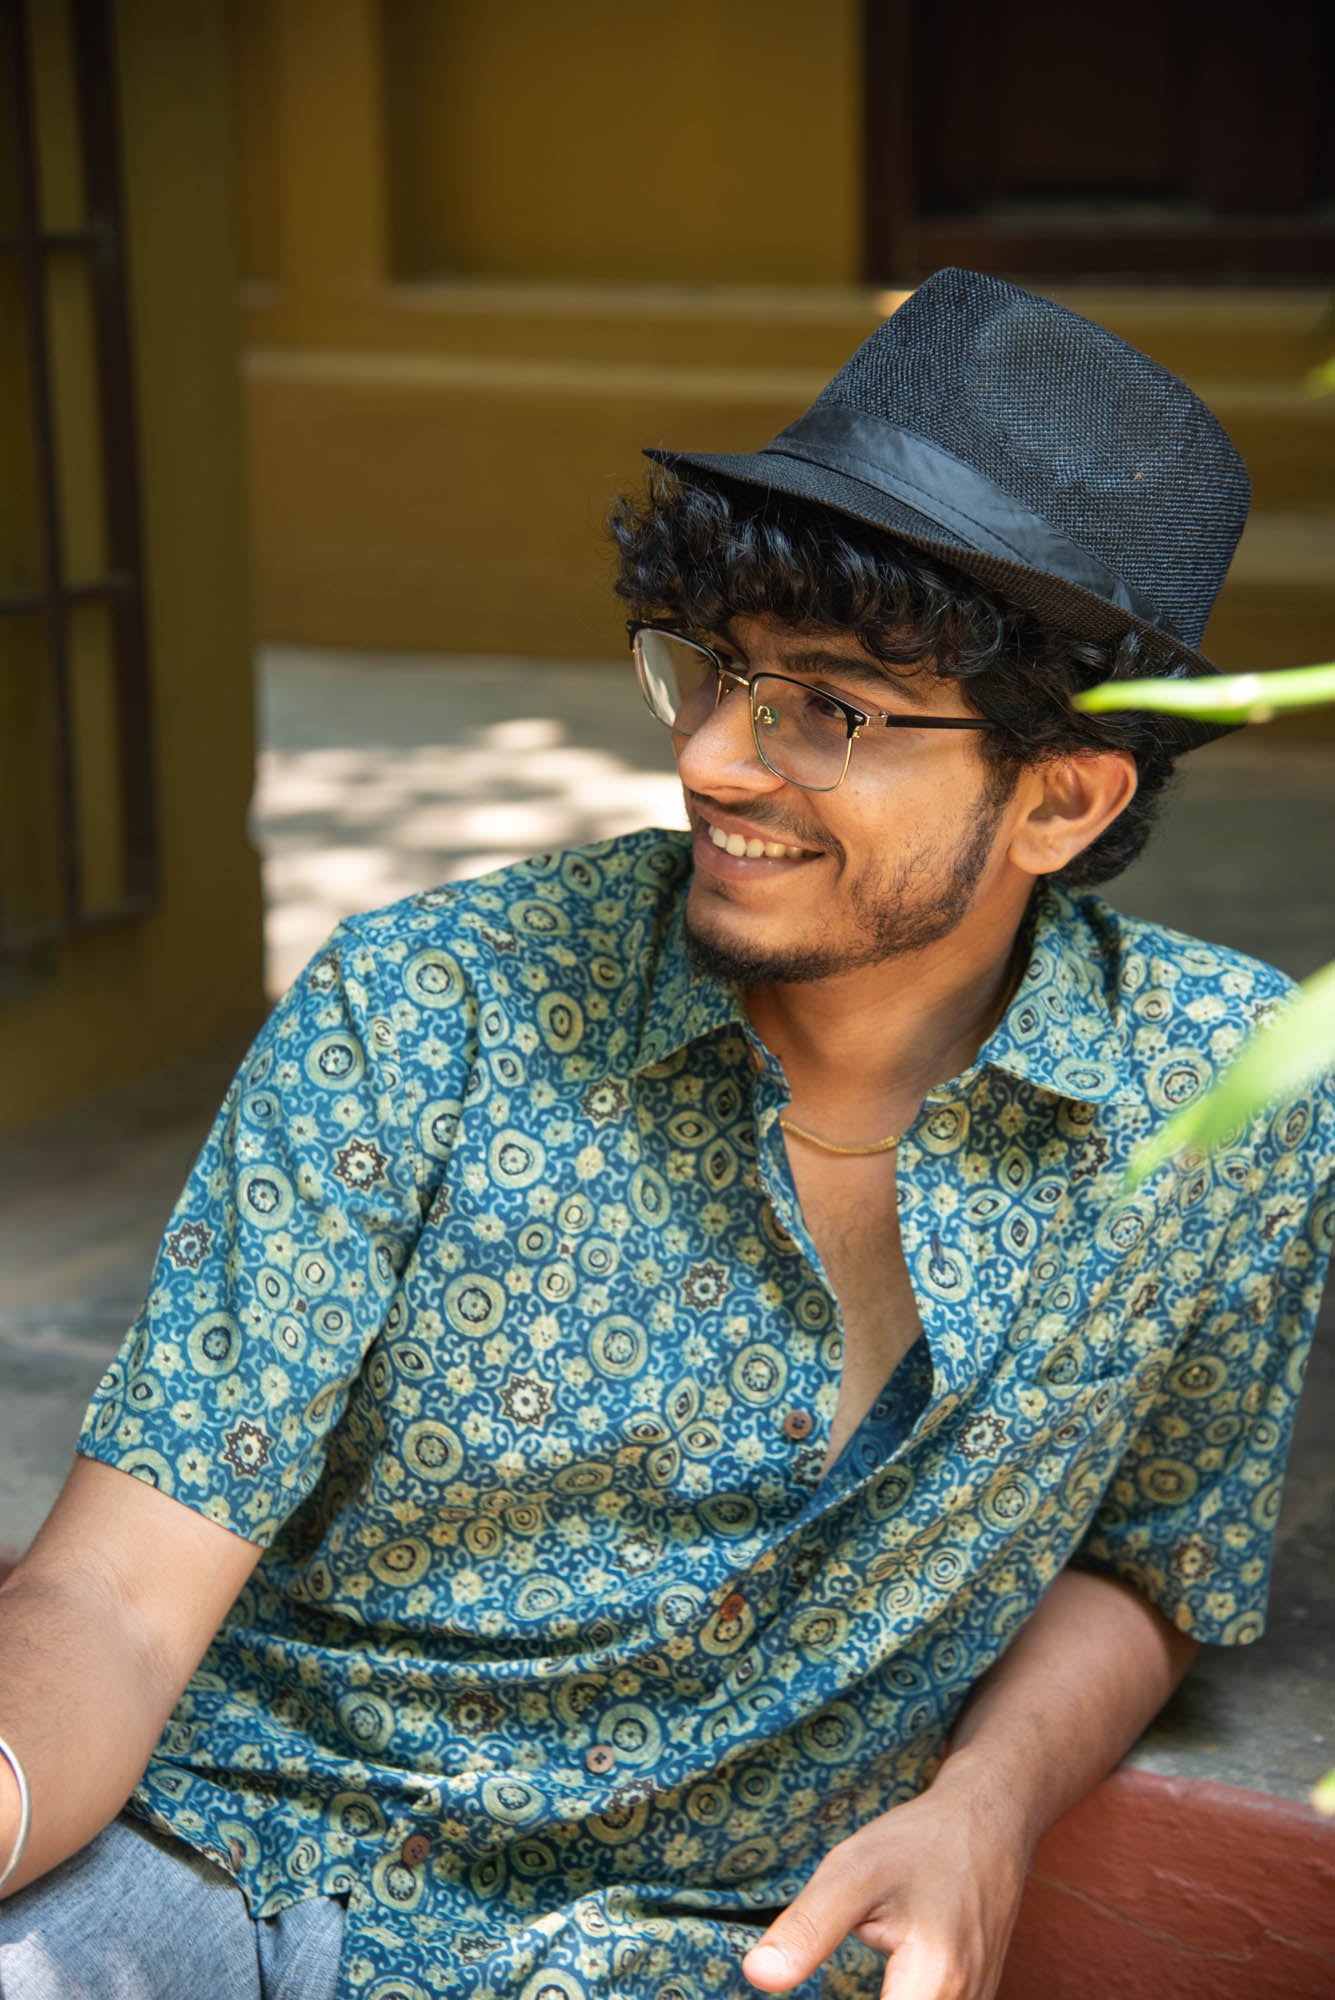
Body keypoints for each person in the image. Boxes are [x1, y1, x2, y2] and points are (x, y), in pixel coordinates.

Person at [1, 268, 1331, 2000]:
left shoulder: (1224, 1105)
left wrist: (986, 1809)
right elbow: (111, 1599)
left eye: (827, 707)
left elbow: (1152, 1556)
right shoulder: (432, 1008)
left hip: (695, 1954)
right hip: (233, 1854)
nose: (713, 757)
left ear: (1061, 801)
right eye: (711, 672)